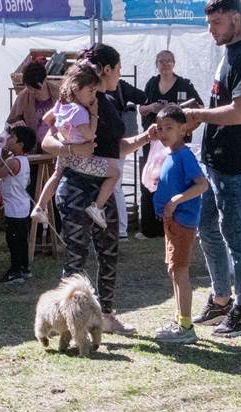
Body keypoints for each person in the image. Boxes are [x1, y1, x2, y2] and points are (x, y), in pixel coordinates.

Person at [41, 44, 157, 334]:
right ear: (106, 69)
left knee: (108, 253)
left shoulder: (102, 100)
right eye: (118, 69)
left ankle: (105, 315)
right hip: (78, 187)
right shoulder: (80, 99)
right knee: (76, 257)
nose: (119, 75)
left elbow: (116, 148)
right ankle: (68, 321)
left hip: (103, 186)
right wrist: (72, 148)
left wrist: (146, 136)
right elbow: (46, 142)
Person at [185, 0, 241, 338]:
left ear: (236, 18)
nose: (211, 30)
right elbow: (223, 104)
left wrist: (198, 115)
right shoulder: (229, 55)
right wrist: (196, 111)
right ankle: (221, 300)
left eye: (217, 22)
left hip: (234, 165)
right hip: (213, 162)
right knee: (208, 230)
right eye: (209, 23)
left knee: (235, 236)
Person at [31, 62, 120, 230]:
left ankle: (40, 207)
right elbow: (89, 135)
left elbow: (46, 119)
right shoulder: (79, 111)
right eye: (91, 91)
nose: (93, 96)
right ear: (77, 88)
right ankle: (97, 207)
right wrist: (94, 115)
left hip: (65, 152)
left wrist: (58, 132)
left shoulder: (61, 105)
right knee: (115, 172)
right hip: (82, 159)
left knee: (56, 175)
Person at [152, 105, 209, 344]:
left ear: (183, 130)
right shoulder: (170, 154)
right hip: (171, 221)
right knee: (174, 270)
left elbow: (201, 184)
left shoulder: (185, 155)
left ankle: (186, 327)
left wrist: (176, 200)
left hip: (182, 222)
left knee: (180, 271)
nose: (164, 133)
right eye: (160, 128)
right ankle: (180, 320)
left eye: (170, 128)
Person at [139, 50, 204, 238]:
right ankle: (150, 227)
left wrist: (176, 110)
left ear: (174, 63)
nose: (165, 64)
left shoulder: (184, 84)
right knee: (151, 180)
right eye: (161, 61)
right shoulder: (152, 83)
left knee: (176, 180)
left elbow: (199, 108)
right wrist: (152, 108)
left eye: (168, 61)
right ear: (156, 63)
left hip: (176, 144)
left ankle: (179, 221)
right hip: (154, 143)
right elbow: (141, 108)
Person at [104, 77, 149, 240]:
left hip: (118, 142)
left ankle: (120, 229)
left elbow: (143, 97)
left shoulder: (119, 85)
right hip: (109, 143)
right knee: (113, 186)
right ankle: (118, 229)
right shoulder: (115, 85)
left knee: (114, 186)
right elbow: (143, 97)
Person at [0, 126, 37, 284]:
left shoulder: (12, 162)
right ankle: (24, 268)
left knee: (13, 240)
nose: (8, 139)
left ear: (20, 144)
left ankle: (15, 270)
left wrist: (2, 158)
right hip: (22, 205)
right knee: (21, 239)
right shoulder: (25, 161)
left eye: (12, 137)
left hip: (14, 209)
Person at [7, 61, 59, 150]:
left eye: (35, 90)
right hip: (33, 149)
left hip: (56, 147)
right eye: (30, 89)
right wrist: (15, 125)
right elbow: (9, 124)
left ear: (43, 81)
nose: (32, 92)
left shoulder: (58, 93)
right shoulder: (23, 96)